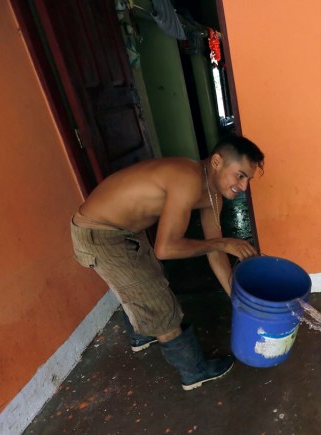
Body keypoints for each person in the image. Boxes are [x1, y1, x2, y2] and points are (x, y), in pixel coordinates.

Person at [70, 134, 264, 391]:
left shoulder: (212, 193)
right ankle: (194, 372)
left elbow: (215, 251)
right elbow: (166, 248)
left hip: (125, 231)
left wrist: (235, 299)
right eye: (239, 175)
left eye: (248, 179)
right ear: (217, 161)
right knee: (160, 306)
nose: (244, 186)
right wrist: (224, 243)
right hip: (99, 235)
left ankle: (142, 332)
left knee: (150, 281)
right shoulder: (187, 178)